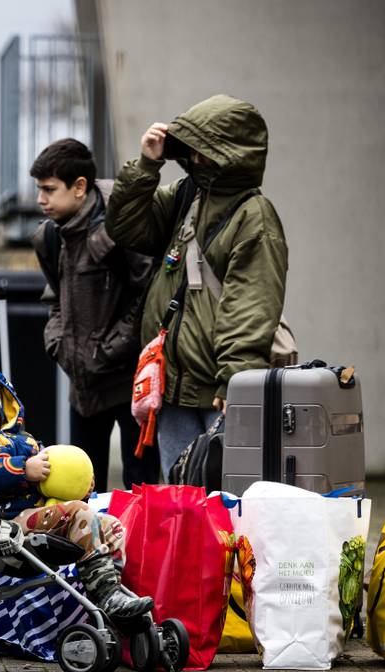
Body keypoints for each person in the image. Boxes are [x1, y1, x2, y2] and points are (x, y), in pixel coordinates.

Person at [105, 95, 288, 475]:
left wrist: (235, 385)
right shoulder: (189, 194)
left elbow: (249, 307)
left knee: (225, 500)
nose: (193, 156)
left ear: (228, 152)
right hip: (171, 385)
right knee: (182, 497)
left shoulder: (255, 217)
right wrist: (147, 165)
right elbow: (125, 226)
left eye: (201, 149)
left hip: (217, 390)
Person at [0, 360, 153, 619]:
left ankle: (112, 592)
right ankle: (106, 597)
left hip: (39, 515)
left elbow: (50, 485)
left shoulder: (24, 440)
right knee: (78, 514)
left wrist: (78, 487)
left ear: (1, 406)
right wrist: (23, 469)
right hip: (2, 523)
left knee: (110, 525)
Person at [29, 139, 158, 490]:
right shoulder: (49, 238)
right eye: (39, 189)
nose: (41, 199)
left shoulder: (120, 227)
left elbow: (149, 296)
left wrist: (108, 349)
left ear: (80, 186)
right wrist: (56, 341)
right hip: (83, 387)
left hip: (130, 383)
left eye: (49, 190)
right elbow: (54, 295)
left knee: (140, 490)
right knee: (81, 489)